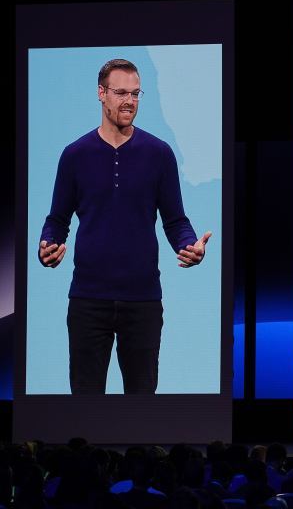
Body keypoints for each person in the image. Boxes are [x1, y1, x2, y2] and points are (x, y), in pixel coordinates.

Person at [39, 58, 212, 394]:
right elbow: (57, 220)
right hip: (88, 300)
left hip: (143, 300)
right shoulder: (74, 155)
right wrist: (47, 245)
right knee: (85, 407)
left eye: (135, 93)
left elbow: (175, 220)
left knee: (141, 406)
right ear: (101, 93)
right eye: (121, 93)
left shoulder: (159, 153)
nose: (130, 101)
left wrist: (189, 245)